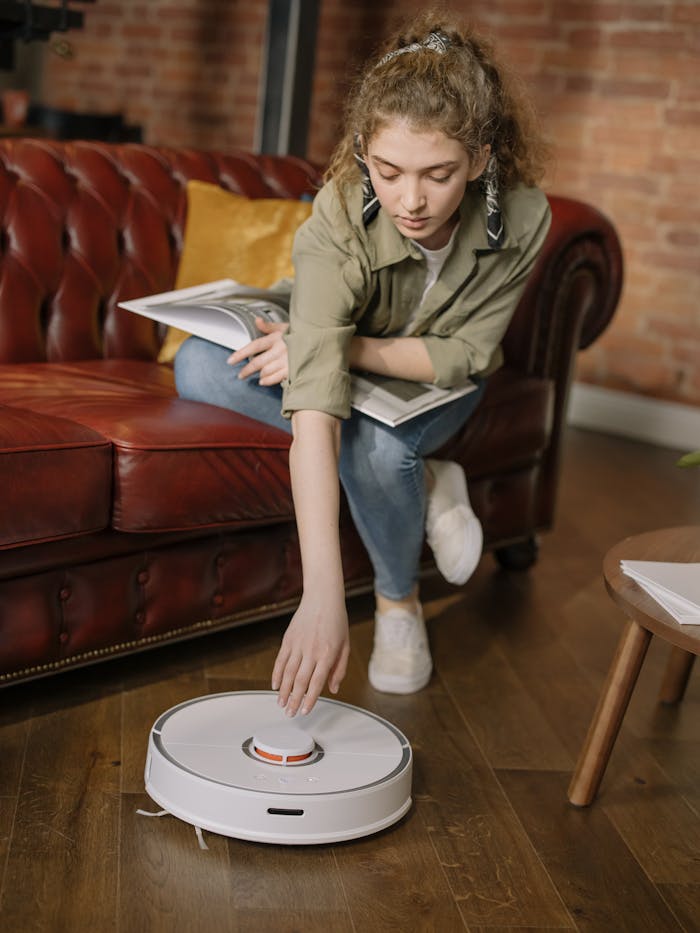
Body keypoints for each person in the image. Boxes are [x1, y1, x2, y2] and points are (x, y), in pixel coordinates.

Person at [174, 11, 551, 717]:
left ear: (480, 158)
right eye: (388, 171)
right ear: (363, 152)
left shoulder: (525, 216)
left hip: (433, 377)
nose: (411, 200)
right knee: (198, 364)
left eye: (438, 174)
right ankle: (431, 479)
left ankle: (397, 598)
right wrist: (320, 597)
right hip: (337, 351)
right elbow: (314, 412)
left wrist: (336, 348)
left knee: (379, 449)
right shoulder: (339, 215)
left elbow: (464, 353)